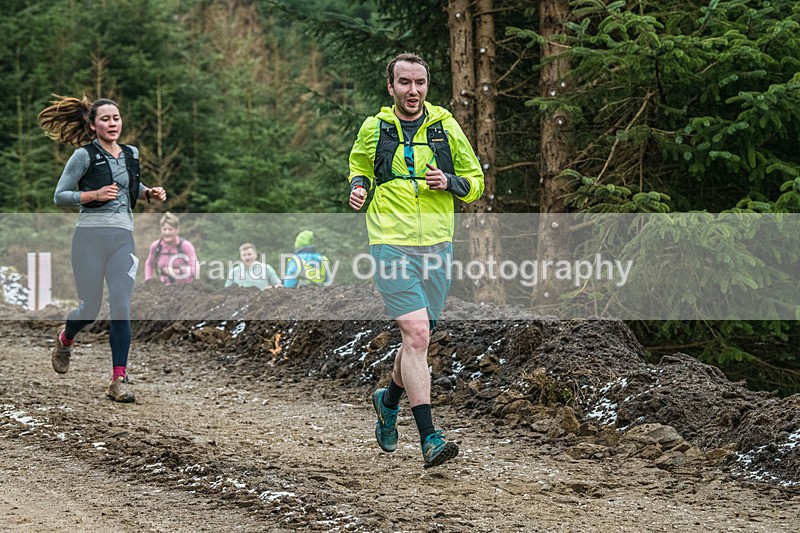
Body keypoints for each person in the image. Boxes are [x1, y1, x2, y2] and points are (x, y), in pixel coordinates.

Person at [348, 53, 484, 468]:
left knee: (416, 341)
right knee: (418, 336)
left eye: (420, 83)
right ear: (391, 88)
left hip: (438, 246)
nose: (413, 90)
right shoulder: (376, 127)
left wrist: (451, 182)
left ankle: (388, 401)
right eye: (404, 83)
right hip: (390, 243)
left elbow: (476, 182)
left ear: (427, 85)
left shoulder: (445, 127)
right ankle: (429, 437)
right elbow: (359, 167)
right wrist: (358, 187)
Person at [39, 95, 167, 403]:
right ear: (93, 125)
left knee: (121, 306)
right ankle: (66, 338)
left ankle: (118, 380)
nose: (112, 124)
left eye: (116, 118)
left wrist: (148, 192)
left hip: (123, 238)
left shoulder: (131, 154)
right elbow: (60, 195)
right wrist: (93, 195)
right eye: (106, 119)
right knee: (90, 309)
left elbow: (129, 186)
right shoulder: (83, 156)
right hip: (89, 240)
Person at [144, 212, 198, 285]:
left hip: (185, 288)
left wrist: (176, 271)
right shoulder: (156, 246)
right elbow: (149, 264)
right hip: (163, 288)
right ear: (161, 230)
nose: (167, 232)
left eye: (170, 229)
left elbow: (195, 269)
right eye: (164, 229)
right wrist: (148, 280)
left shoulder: (186, 246)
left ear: (177, 230)